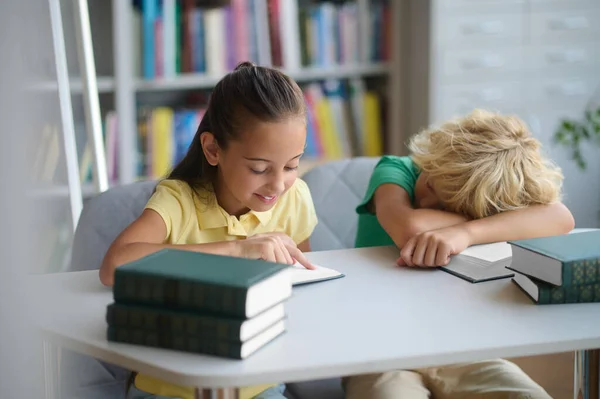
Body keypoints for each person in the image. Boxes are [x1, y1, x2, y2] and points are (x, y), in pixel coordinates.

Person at [99, 62, 318, 399]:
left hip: (258, 383)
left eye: (292, 165)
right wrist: (236, 250)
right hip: (172, 387)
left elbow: (303, 286)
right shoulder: (179, 201)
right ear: (213, 149)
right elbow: (114, 267)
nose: (278, 184)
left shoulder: (295, 198)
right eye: (259, 168)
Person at [345, 109, 575, 399]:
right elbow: (410, 226)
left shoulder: (475, 207)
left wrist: (465, 233)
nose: (424, 200)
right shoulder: (396, 169)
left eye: (443, 207)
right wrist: (493, 224)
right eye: (430, 183)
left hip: (456, 344)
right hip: (378, 345)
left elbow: (562, 218)